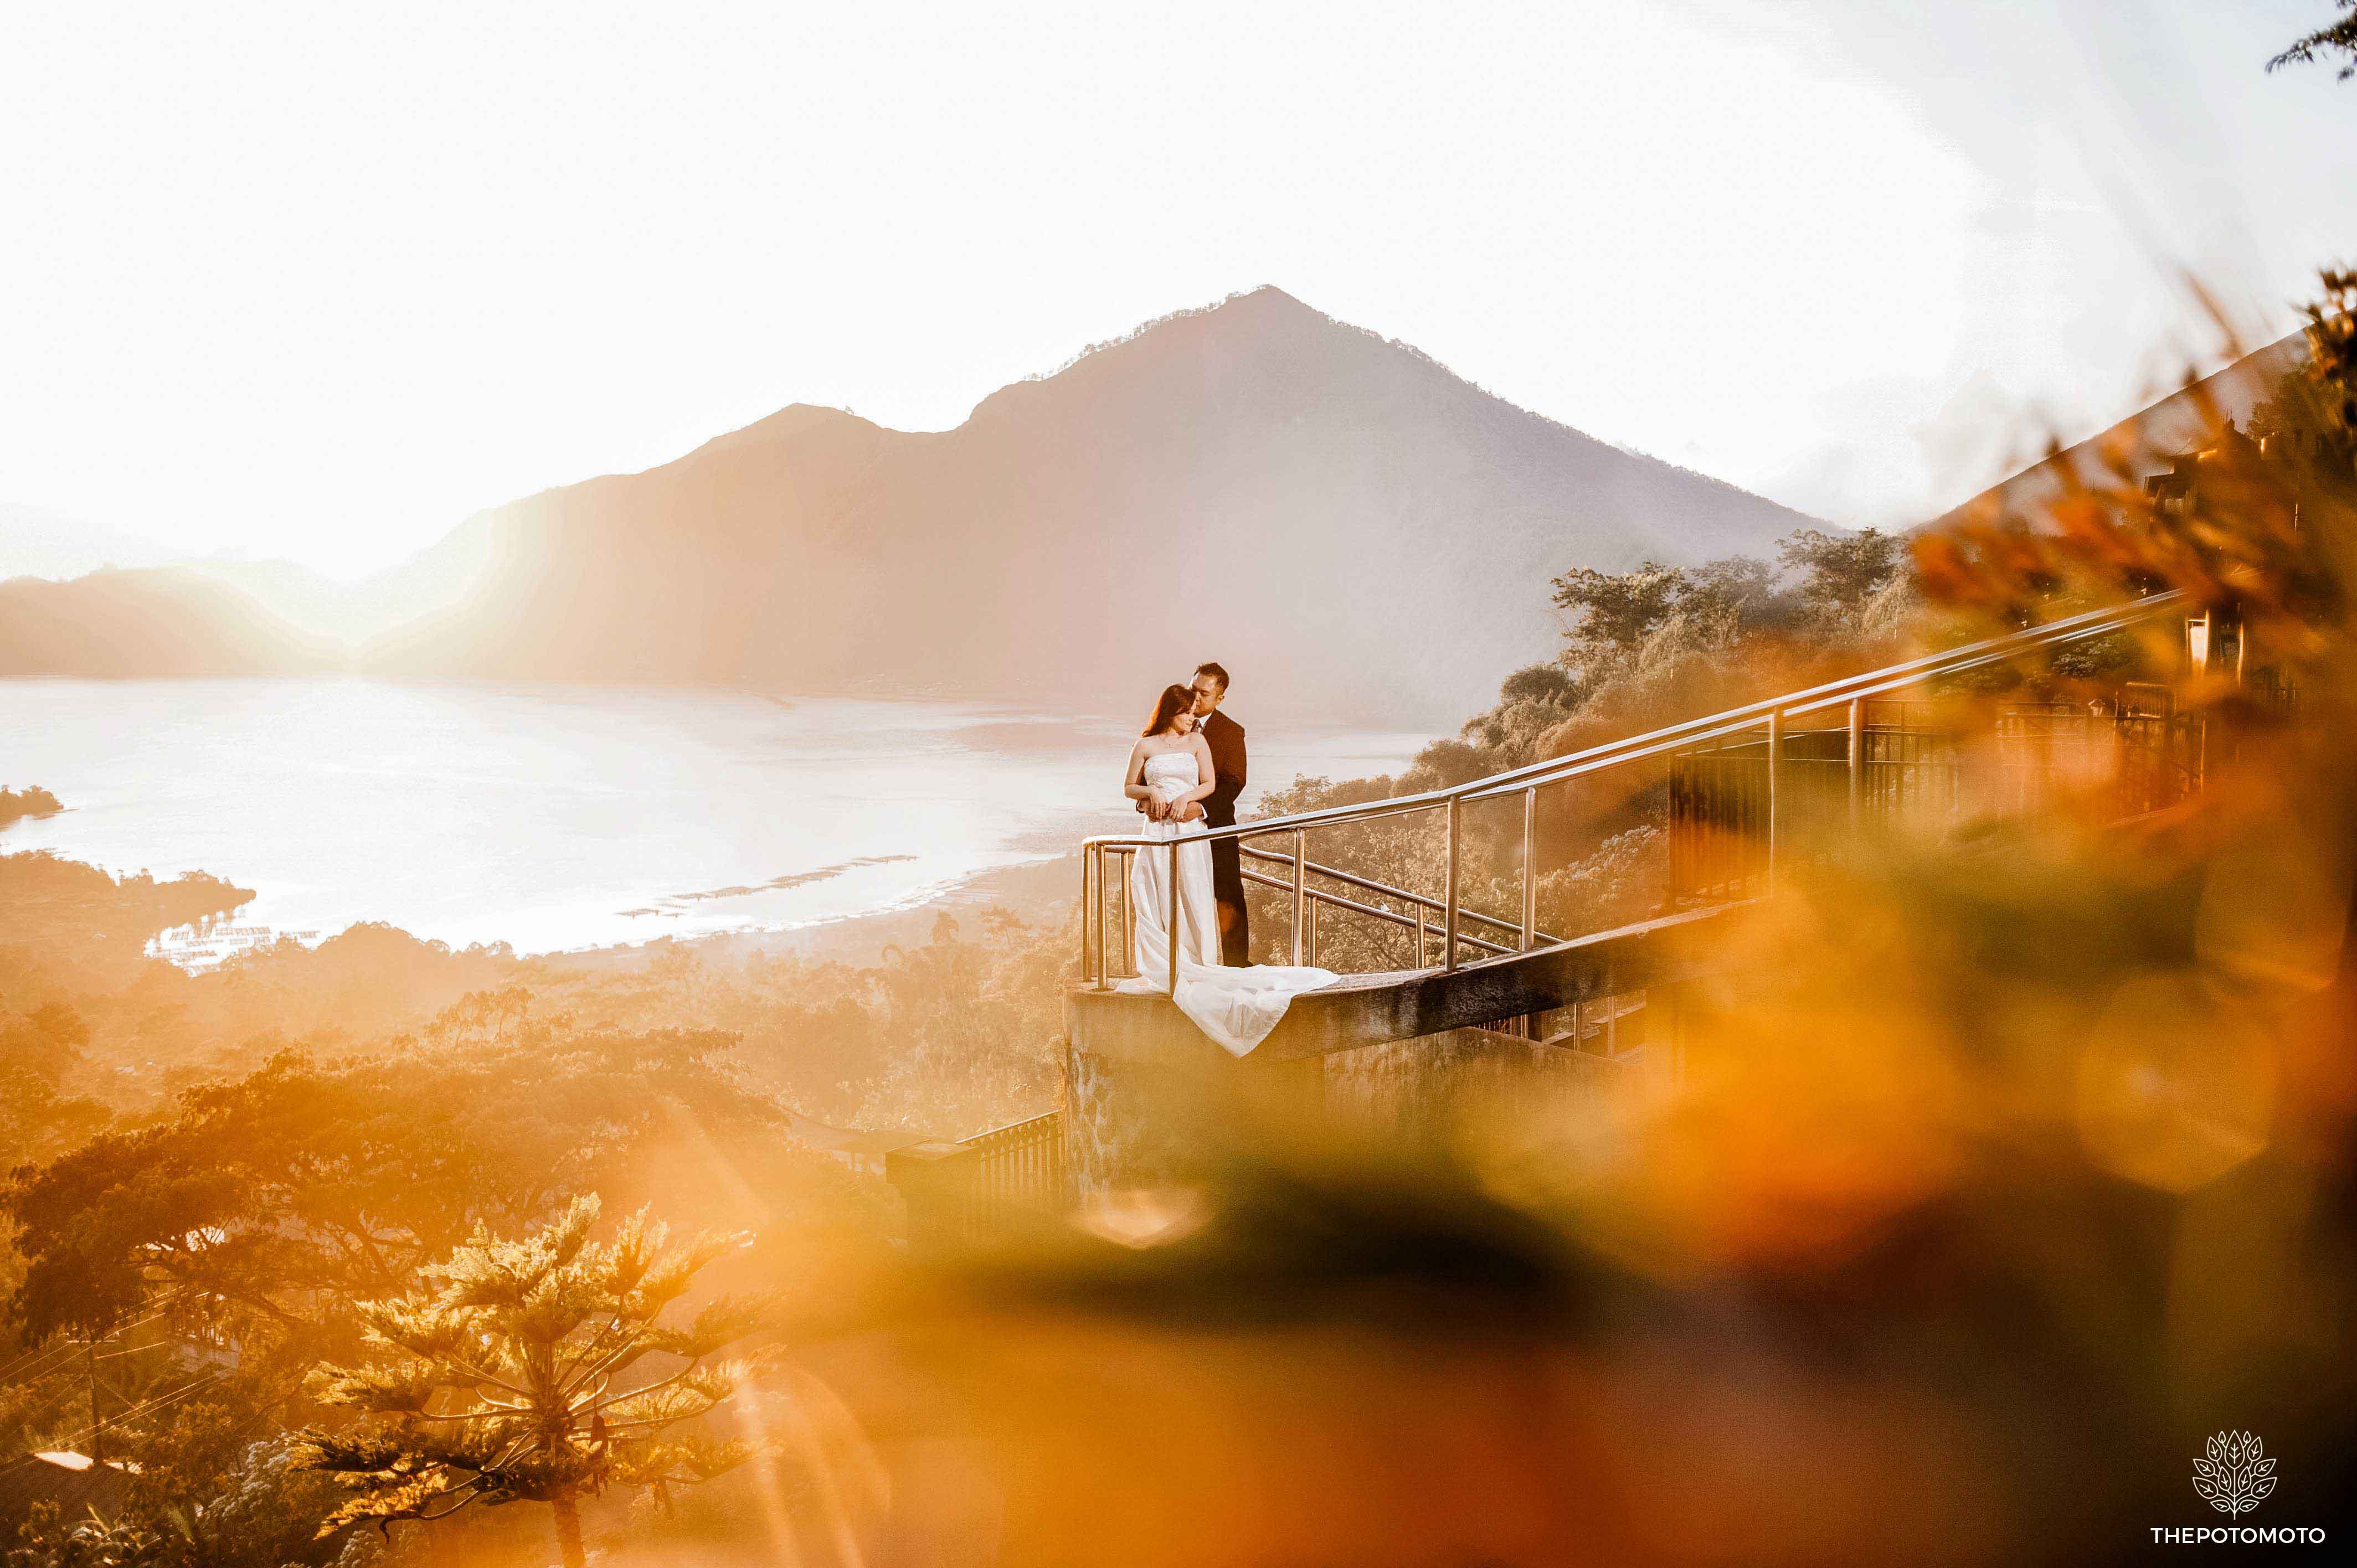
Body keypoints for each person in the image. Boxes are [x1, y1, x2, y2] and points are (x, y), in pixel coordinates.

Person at [1118, 683, 1336, 1056]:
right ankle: (1164, 962)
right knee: (1155, 895)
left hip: (1188, 830)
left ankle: (1198, 960)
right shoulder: (1145, 746)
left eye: (1196, 709)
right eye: (1186, 711)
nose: (1193, 716)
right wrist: (1149, 794)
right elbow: (1128, 787)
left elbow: (1213, 784)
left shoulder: (1199, 742)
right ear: (1171, 712)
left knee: (1192, 891)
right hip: (1155, 831)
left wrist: (1188, 798)